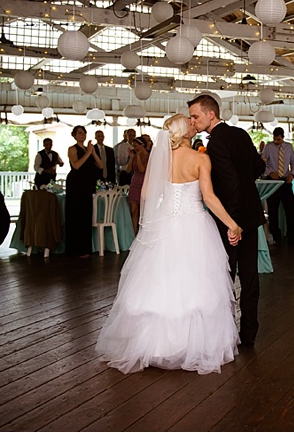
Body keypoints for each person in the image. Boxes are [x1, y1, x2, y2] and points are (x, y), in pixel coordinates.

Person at [95, 114, 242, 375]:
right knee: (194, 284)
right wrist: (232, 224)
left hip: (164, 224)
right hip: (195, 225)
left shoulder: (160, 159)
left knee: (160, 281)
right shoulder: (200, 159)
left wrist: (165, 205)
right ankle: (191, 346)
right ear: (186, 133)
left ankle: (154, 346)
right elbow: (208, 198)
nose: (193, 123)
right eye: (190, 122)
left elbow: (148, 195)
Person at [188, 94, 266, 347]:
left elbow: (230, 184)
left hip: (232, 221)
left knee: (225, 277)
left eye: (196, 116)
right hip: (252, 215)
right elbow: (258, 168)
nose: (193, 121)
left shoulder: (217, 142)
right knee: (250, 276)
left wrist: (232, 223)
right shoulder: (241, 133)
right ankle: (249, 334)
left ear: (211, 114)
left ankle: (225, 334)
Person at [65, 126, 103, 257]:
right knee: (76, 215)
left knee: (86, 215)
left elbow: (101, 165)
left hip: (87, 184)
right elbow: (76, 165)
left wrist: (92, 152)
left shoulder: (89, 150)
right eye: (80, 133)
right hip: (76, 184)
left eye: (84, 133)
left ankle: (85, 248)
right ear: (74, 135)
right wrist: (87, 153)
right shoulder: (72, 149)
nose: (82, 135)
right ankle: (75, 249)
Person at [261, 127, 294, 246]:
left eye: (278, 139)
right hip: (272, 181)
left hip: (285, 181)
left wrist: (292, 174)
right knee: (273, 210)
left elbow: (293, 161)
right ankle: (276, 236)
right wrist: (269, 172)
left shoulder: (289, 147)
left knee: (290, 209)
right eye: (274, 139)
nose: (276, 141)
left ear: (283, 137)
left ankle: (292, 235)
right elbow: (263, 162)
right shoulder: (268, 147)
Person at [126, 136, 150, 234]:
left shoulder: (149, 156)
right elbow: (128, 170)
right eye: (133, 146)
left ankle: (142, 232)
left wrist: (139, 157)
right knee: (133, 210)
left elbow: (142, 169)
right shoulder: (134, 156)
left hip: (144, 183)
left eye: (136, 146)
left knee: (143, 210)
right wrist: (132, 158)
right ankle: (134, 232)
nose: (135, 148)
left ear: (142, 145)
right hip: (134, 182)